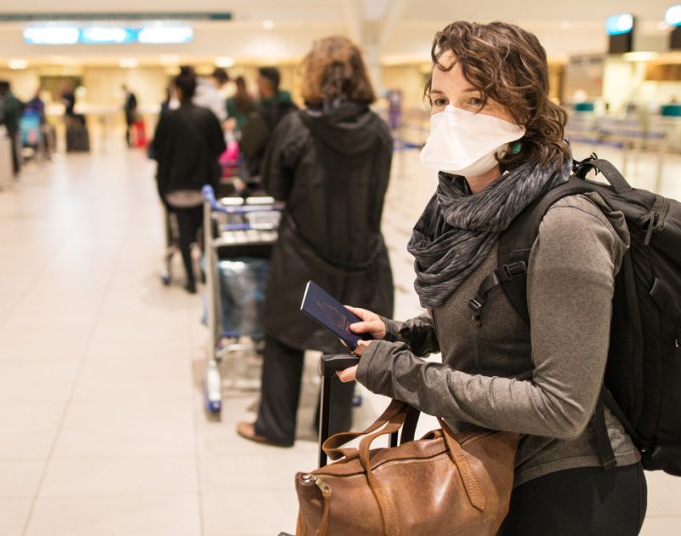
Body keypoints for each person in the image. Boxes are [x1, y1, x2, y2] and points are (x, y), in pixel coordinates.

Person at [337, 21, 646, 535]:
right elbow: (493, 317)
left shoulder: (565, 224)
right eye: (440, 100)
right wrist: (401, 335)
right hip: (489, 464)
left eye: (476, 100)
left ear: (524, 108)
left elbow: (562, 406)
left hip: (568, 488)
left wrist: (405, 376)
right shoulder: (459, 207)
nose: (451, 117)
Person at [236, 36, 394, 447]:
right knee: (348, 340)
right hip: (361, 253)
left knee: (284, 336)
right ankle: (335, 431)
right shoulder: (378, 130)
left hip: (301, 251)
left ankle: (275, 425)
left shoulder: (298, 126)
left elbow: (275, 185)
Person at [151, 71, 225, 294]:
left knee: (183, 233)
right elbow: (219, 148)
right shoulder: (207, 116)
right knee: (202, 229)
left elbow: (158, 151)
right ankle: (202, 271)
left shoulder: (168, 118)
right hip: (203, 186)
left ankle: (190, 280)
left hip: (176, 186)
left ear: (178, 91)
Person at [238, 67, 296, 181]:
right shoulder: (293, 109)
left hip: (263, 174)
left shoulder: (259, 112)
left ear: (264, 83)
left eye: (257, 82)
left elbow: (248, 146)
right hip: (290, 172)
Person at [0, 81, 24, 177]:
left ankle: (14, 170)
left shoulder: (9, 99)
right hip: (11, 127)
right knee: (11, 148)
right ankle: (14, 169)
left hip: (11, 127)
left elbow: (6, 112)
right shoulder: (7, 98)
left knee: (11, 149)